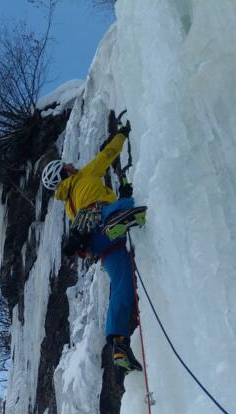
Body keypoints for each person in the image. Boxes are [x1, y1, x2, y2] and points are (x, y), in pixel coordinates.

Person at [41, 118, 144, 373]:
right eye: (66, 165)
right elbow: (108, 154)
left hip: (99, 246)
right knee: (129, 207)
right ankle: (118, 219)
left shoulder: (68, 203)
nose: (71, 165)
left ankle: (119, 342)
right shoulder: (86, 173)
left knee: (122, 287)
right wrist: (123, 134)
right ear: (64, 172)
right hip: (104, 222)